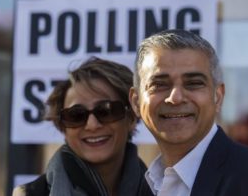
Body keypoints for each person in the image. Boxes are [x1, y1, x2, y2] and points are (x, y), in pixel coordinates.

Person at [129, 29, 248, 196]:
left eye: (193, 83)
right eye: (159, 84)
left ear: (217, 97)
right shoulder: (138, 187)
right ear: (136, 102)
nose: (176, 98)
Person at [13, 57, 153, 196]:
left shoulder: (163, 190)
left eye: (106, 111)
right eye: (76, 115)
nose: (92, 125)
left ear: (132, 118)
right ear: (63, 126)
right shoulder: (29, 194)